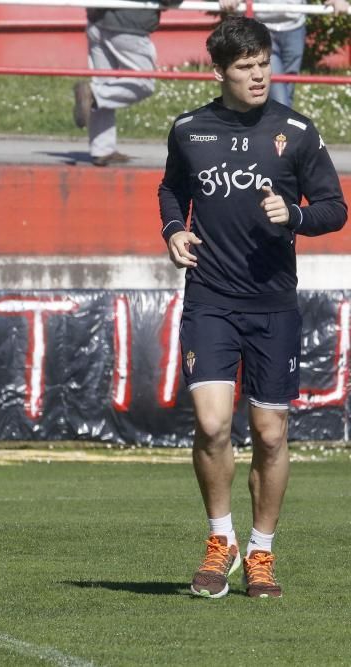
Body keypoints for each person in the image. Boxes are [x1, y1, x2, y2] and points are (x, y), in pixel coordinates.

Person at [158, 16, 346, 599]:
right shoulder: (189, 129)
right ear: (220, 72)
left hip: (274, 305)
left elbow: (335, 209)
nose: (258, 73)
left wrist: (294, 215)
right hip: (210, 298)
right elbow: (172, 188)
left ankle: (262, 551)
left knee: (269, 433)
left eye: (263, 62)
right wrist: (172, 229)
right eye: (244, 66)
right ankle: (222, 540)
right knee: (212, 424)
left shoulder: (297, 130)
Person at [73, 0, 179, 166]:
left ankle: (102, 150)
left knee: (104, 82)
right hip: (129, 25)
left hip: (96, 22)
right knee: (144, 83)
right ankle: (93, 94)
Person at [216, 0, 350, 108]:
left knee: (288, 87)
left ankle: (275, 133)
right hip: (262, 26)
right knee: (278, 92)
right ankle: (281, 133)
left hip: (295, 27)